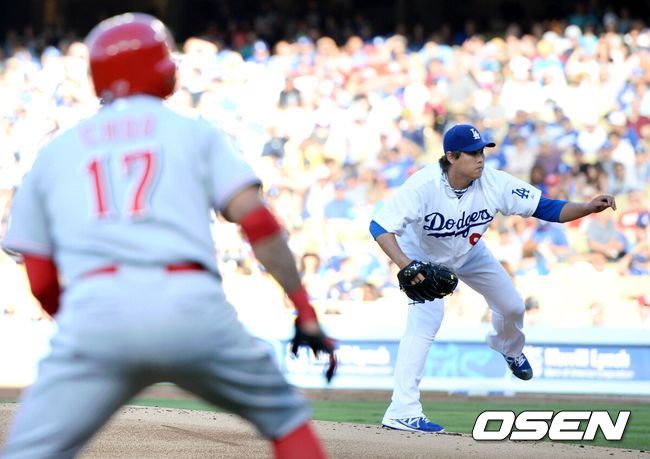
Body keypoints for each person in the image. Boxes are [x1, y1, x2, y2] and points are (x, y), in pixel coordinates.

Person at [1, 13, 336, 459]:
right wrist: (306, 312)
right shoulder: (194, 132)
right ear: (165, 68)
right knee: (287, 422)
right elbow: (259, 226)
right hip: (190, 303)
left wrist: (93, 331)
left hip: (96, 308)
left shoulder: (56, 152)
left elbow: (41, 278)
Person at [369, 123, 616, 433]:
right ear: (451, 156)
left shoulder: (494, 182)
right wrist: (407, 266)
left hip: (471, 252)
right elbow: (379, 226)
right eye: (473, 153)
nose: (480, 158)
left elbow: (546, 208)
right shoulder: (422, 186)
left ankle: (509, 347)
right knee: (424, 325)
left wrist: (587, 208)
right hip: (424, 259)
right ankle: (402, 411)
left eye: (482, 151)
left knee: (512, 306)